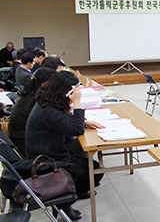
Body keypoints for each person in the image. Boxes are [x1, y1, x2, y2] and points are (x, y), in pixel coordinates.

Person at [26, 71, 105, 220]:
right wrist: (78, 104)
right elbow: (76, 129)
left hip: (48, 150)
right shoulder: (48, 111)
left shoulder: (47, 101)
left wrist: (85, 121)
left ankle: (66, 200)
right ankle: (64, 201)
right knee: (93, 170)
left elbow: (64, 117)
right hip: (47, 159)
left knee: (87, 161)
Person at [9, 68, 56, 156]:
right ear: (44, 84)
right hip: (27, 142)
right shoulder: (37, 100)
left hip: (22, 137)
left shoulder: (30, 93)